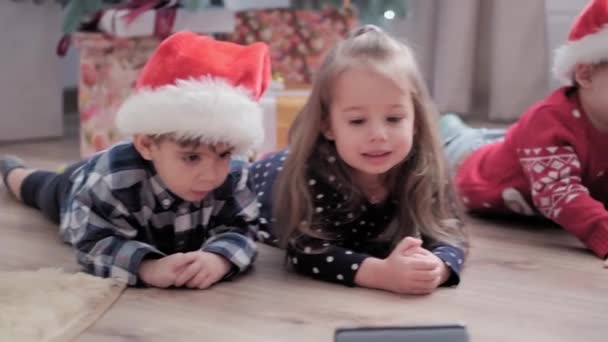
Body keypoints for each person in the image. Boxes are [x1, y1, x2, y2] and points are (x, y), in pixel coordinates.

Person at [0, 31, 271, 288]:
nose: (211, 175)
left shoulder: (234, 174)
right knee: (39, 188)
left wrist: (220, 258)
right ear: (146, 145)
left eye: (223, 155)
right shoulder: (113, 178)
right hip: (75, 187)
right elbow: (94, 242)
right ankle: (12, 171)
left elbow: (243, 228)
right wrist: (147, 268)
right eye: (191, 158)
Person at [250, 25, 468, 295]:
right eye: (357, 121)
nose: (378, 135)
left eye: (394, 119)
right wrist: (383, 274)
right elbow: (307, 251)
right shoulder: (313, 173)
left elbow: (450, 233)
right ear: (327, 125)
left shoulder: (423, 167)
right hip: (271, 175)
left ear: (415, 120)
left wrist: (438, 265)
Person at [439, 0, 608, 267]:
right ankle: (445, 125)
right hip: (469, 164)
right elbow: (558, 192)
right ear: (585, 75)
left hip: (518, 149)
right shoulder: (550, 121)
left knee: (507, 140)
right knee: (449, 142)